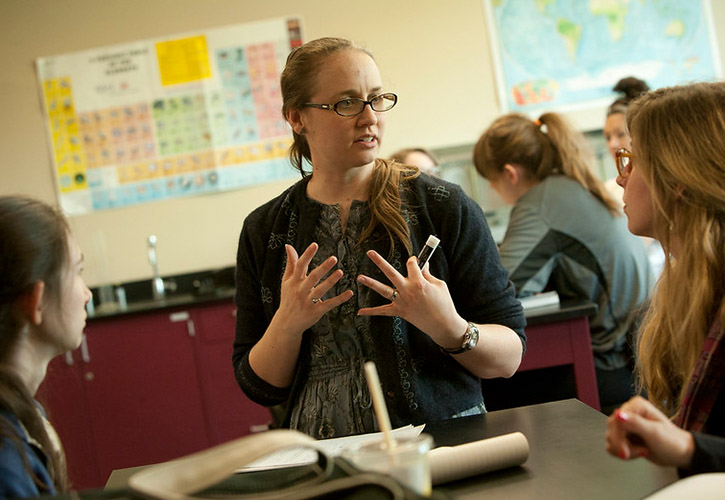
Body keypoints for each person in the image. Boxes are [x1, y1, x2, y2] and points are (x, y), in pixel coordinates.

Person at [232, 37, 526, 439]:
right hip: (324, 458)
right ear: (297, 117)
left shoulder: (442, 206)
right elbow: (258, 386)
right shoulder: (264, 230)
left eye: (377, 98)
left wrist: (448, 326)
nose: (369, 118)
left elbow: (508, 358)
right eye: (346, 103)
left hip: (442, 445)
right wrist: (287, 324)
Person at [473, 111, 654, 414]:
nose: (493, 190)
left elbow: (499, 293)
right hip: (634, 358)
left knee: (483, 384)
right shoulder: (573, 184)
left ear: (510, 173)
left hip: (609, 367)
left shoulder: (539, 204)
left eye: (491, 181)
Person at [605, 81, 725, 476]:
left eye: (631, 161)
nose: (621, 178)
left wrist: (690, 447)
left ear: (677, 178)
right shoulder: (687, 284)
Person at [0, 195, 92, 497]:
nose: (87, 293)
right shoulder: (7, 459)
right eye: (77, 272)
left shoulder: (21, 417)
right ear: (36, 301)